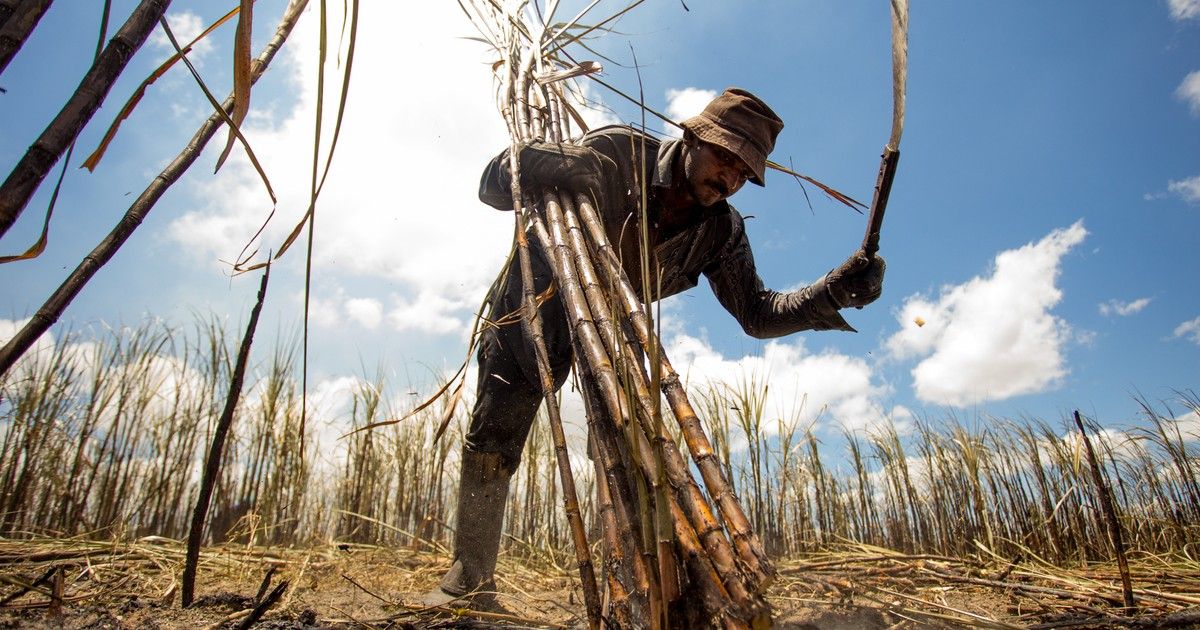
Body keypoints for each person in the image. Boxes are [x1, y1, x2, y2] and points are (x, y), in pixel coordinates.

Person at [422, 88, 885, 608]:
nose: (730, 178)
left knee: (635, 456)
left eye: (744, 173)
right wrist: (535, 159)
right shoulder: (616, 152)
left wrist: (832, 292)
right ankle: (468, 580)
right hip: (535, 299)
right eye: (724, 157)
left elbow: (758, 313)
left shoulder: (721, 231)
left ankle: (640, 599)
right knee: (495, 433)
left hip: (615, 330)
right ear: (692, 137)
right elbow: (493, 186)